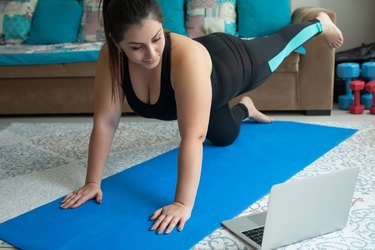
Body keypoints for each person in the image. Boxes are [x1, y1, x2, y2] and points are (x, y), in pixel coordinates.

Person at [60, 0, 343, 235]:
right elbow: (106, 120)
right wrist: (93, 182)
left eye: (157, 38)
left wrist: (182, 203)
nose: (151, 54)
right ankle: (245, 108)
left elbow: (192, 136)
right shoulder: (111, 57)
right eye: (136, 47)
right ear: (116, 42)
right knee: (224, 138)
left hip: (229, 66)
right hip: (195, 93)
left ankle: (318, 23)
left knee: (280, 45)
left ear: (163, 26)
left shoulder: (186, 57)